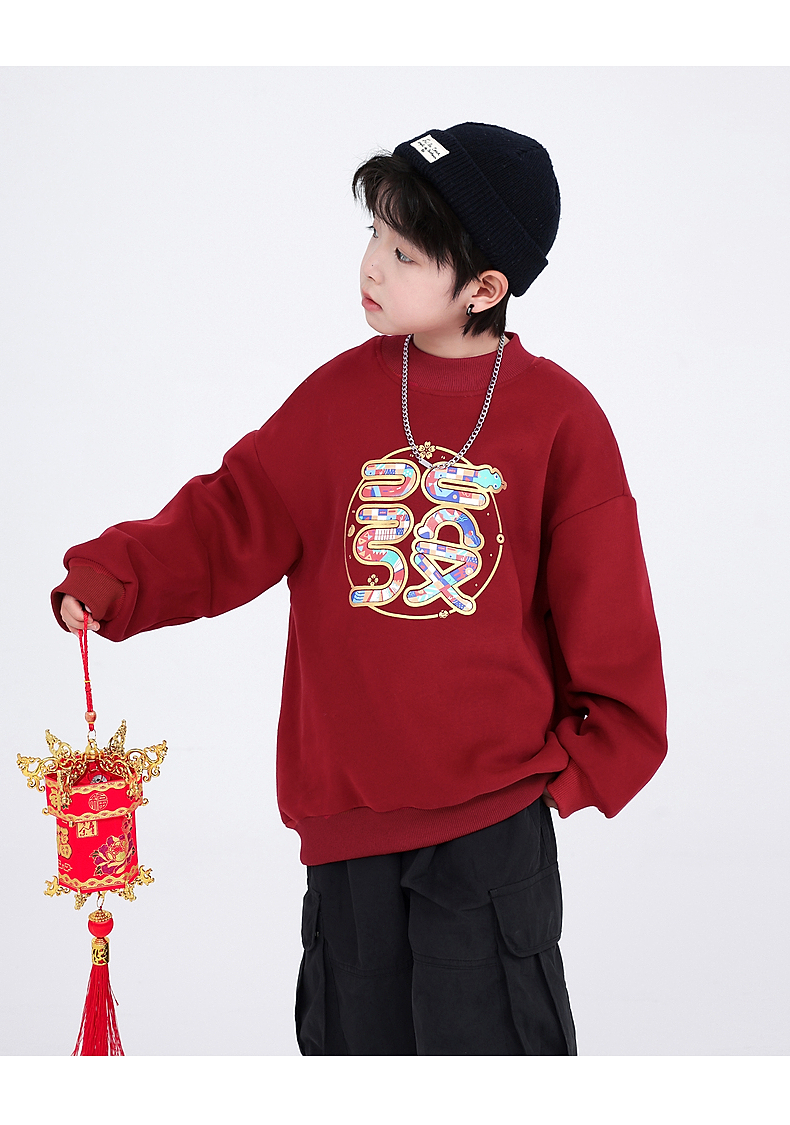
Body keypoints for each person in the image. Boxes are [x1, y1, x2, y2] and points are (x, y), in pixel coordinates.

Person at [53, 122, 667, 1055]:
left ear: (484, 288)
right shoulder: (336, 400)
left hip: (492, 824)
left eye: (406, 252)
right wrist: (117, 577)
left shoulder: (560, 420)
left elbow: (610, 614)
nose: (373, 264)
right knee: (355, 1053)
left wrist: (577, 772)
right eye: (374, 233)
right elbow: (232, 516)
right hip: (348, 828)